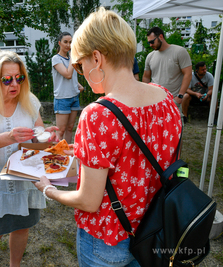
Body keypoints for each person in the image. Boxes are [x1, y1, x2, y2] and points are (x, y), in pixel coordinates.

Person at [33, 8, 182, 267]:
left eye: (80, 64)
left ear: (97, 58)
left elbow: (88, 201)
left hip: (108, 240)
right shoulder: (165, 97)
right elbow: (146, 155)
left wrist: (49, 189)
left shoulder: (98, 114)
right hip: (155, 230)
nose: (79, 71)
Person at [0, 51, 58, 267]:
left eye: (19, 77)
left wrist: (46, 136)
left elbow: (36, 138)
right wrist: (8, 137)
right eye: (7, 79)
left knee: (21, 228)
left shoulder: (31, 100)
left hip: (23, 180)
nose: (14, 84)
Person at [142, 27, 192, 111]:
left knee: (175, 124)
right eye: (149, 42)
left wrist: (180, 96)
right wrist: (146, 96)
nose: (150, 45)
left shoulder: (179, 51)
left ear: (160, 37)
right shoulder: (150, 56)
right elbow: (146, 77)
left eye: (152, 41)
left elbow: (188, 74)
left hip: (173, 101)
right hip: (154, 101)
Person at [52, 32, 84, 143]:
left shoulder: (71, 60)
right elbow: (68, 74)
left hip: (74, 97)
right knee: (60, 131)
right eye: (65, 42)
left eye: (70, 42)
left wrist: (78, 85)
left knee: (70, 129)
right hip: (62, 99)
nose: (68, 45)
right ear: (59, 43)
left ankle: (67, 155)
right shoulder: (56, 59)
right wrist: (72, 58)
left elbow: (73, 76)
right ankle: (57, 155)